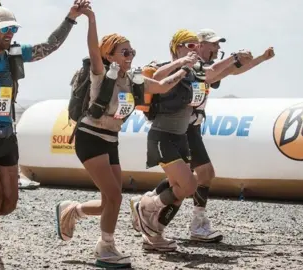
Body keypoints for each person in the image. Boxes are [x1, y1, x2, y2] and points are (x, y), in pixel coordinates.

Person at [0, 0, 88, 268]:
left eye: (13, 28)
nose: (10, 32)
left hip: (6, 134)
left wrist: (70, 18)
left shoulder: (15, 53)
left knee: (8, 204)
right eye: (4, 28)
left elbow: (50, 46)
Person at [54, 9, 199, 269]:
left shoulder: (133, 79)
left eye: (132, 52)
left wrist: (182, 67)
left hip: (111, 140)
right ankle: (105, 248)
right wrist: (91, 20)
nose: (130, 56)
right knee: (114, 196)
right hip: (90, 137)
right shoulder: (101, 74)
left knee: (112, 198)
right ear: (109, 56)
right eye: (125, 52)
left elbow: (163, 86)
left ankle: (73, 210)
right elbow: (93, 47)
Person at [130, 28, 275, 247]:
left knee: (185, 181)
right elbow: (208, 73)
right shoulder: (181, 67)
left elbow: (226, 71)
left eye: (217, 45)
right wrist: (233, 58)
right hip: (177, 130)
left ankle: (154, 215)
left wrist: (260, 59)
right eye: (212, 44)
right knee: (200, 176)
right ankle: (182, 221)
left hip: (190, 129)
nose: (215, 48)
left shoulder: (199, 69)